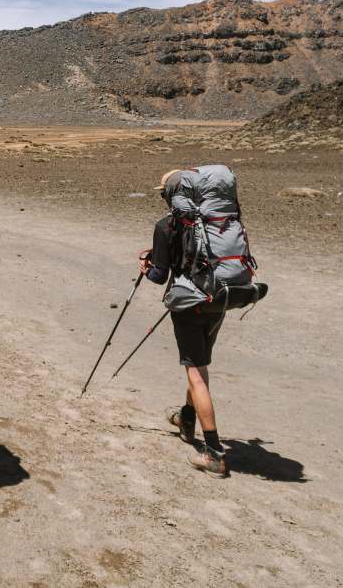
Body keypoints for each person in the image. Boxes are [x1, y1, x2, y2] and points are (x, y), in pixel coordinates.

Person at [140, 169, 228, 478]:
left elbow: (159, 275)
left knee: (196, 373)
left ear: (170, 195)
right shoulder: (221, 222)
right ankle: (187, 418)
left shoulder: (166, 226)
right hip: (221, 300)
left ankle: (214, 453)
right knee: (200, 364)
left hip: (189, 304)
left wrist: (145, 266)